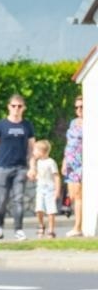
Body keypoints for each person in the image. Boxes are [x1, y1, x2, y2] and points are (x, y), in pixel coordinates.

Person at [0, 93, 35, 241]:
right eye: (13, 106)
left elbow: (31, 148)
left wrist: (32, 167)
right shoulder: (0, 125)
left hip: (20, 168)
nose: (16, 109)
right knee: (2, 200)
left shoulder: (27, 126)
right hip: (3, 167)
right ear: (8, 107)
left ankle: (18, 230)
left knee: (18, 199)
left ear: (23, 108)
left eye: (19, 106)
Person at [30, 139, 61, 238]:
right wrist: (33, 173)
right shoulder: (37, 162)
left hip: (50, 189)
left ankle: (51, 230)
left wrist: (57, 190)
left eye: (35, 150)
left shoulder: (51, 162)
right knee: (39, 209)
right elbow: (35, 174)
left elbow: (56, 176)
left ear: (42, 152)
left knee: (51, 210)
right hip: (40, 188)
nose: (33, 152)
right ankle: (41, 225)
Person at [63, 96, 84, 237]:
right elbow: (69, 142)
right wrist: (64, 161)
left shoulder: (92, 123)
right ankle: (77, 224)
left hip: (82, 163)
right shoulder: (73, 123)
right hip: (70, 163)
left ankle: (78, 227)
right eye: (76, 107)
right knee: (72, 195)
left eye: (82, 106)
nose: (79, 110)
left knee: (78, 195)